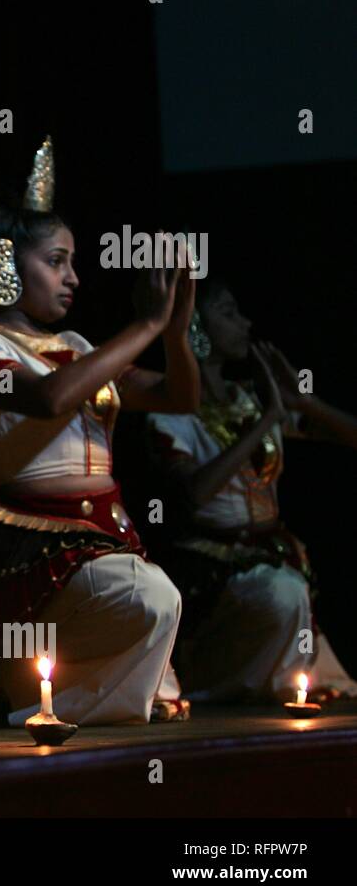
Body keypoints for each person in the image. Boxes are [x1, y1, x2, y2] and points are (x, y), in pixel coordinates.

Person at [0, 137, 199, 726]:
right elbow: (49, 397)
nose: (74, 278)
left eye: (73, 262)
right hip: (34, 546)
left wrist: (175, 336)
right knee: (152, 600)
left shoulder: (80, 348)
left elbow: (181, 398)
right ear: (5, 264)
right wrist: (145, 324)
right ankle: (26, 692)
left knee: (152, 604)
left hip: (102, 534)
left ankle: (32, 692)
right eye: (56, 261)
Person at [145, 280, 357, 702]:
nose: (245, 323)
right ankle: (227, 688)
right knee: (281, 593)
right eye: (228, 313)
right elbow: (193, 494)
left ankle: (279, 686)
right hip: (210, 563)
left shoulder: (251, 398)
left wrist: (306, 402)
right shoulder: (170, 412)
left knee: (286, 590)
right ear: (197, 328)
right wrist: (266, 422)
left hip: (270, 553)